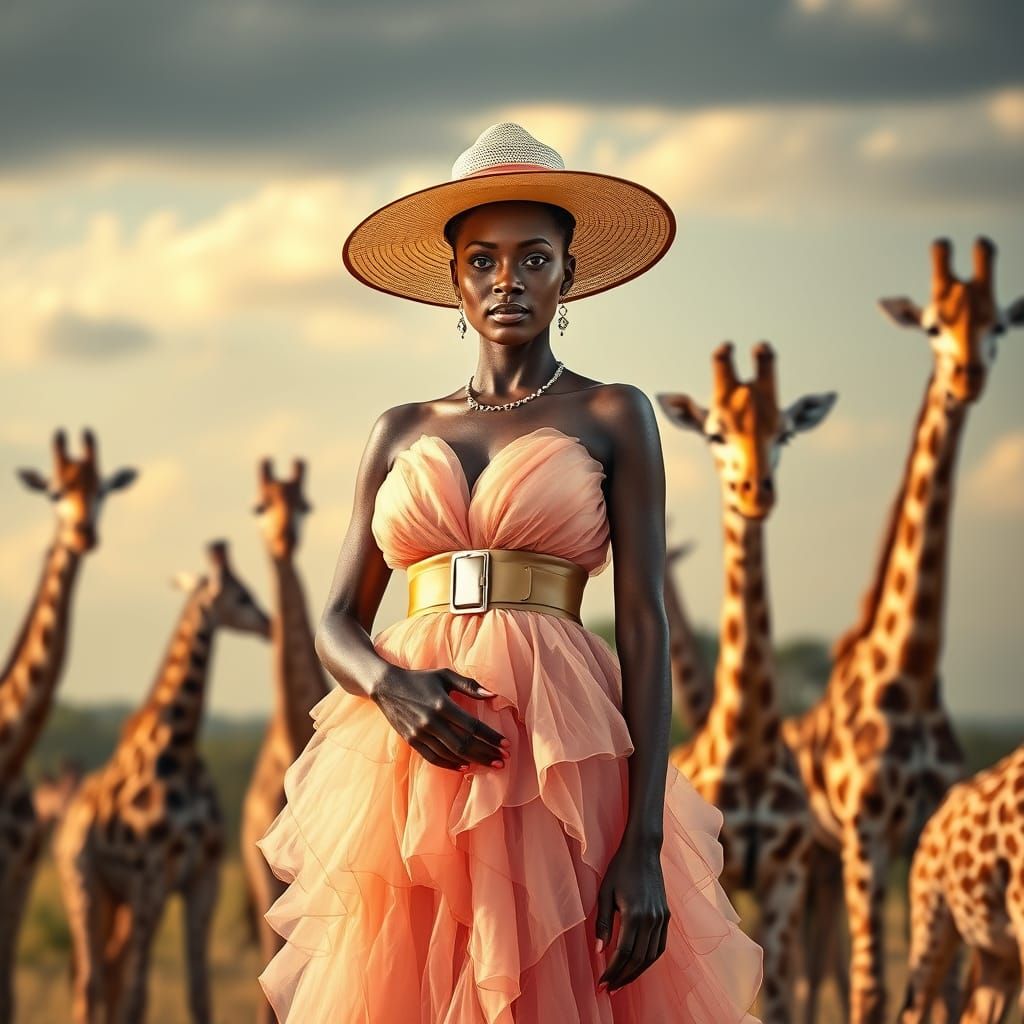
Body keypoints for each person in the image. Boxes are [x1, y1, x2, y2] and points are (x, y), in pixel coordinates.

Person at [256, 122, 764, 1022]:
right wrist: (391, 685)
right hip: (407, 763)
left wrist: (642, 841)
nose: (507, 282)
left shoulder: (614, 413)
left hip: (561, 763)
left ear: (569, 276)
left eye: (534, 259)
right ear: (454, 278)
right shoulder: (400, 428)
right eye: (483, 261)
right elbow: (337, 618)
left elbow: (643, 624)